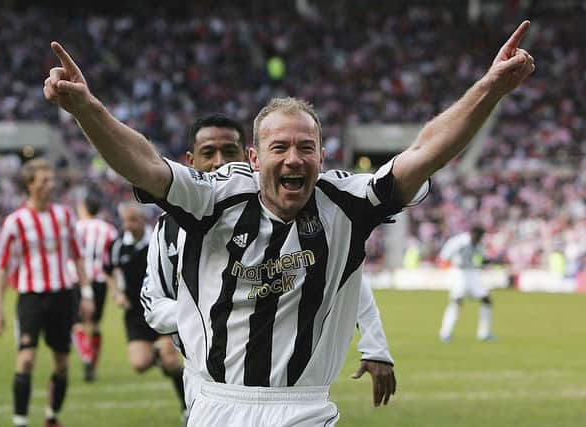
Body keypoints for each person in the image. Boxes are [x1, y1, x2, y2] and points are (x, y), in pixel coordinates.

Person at [44, 20, 535, 425]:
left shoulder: (347, 202)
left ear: (323, 155)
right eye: (280, 147)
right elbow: (144, 164)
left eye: (306, 147)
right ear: (256, 158)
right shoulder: (212, 199)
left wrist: (489, 89)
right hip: (218, 404)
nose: (294, 158)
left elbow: (424, 152)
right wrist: (87, 108)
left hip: (306, 408)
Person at [140, 115, 397, 414]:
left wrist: (375, 343)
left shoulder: (279, 213)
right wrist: (212, 314)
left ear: (250, 159)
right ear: (190, 160)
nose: (220, 162)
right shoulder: (169, 227)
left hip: (284, 392)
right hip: (206, 379)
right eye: (208, 153)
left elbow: (347, 279)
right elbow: (153, 303)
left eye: (230, 152)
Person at [0, 158, 94, 427]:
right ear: (30, 185)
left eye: (52, 179)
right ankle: (20, 421)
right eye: (45, 180)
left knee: (62, 364)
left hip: (63, 296)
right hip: (31, 298)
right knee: (25, 360)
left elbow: (78, 257)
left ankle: (51, 417)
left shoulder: (65, 215)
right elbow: (2, 268)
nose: (51, 184)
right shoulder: (16, 222)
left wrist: (86, 294)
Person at [103, 201, 187, 420]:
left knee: (171, 362)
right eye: (125, 221)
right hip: (135, 313)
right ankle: (159, 354)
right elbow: (108, 271)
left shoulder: (157, 239)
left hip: (161, 306)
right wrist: (116, 293)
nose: (128, 225)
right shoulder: (118, 245)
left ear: (142, 219)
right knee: (139, 364)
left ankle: (187, 407)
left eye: (133, 220)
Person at [70, 190, 118, 381]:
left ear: (83, 207)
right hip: (99, 280)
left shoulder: (74, 227)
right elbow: (111, 261)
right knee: (95, 324)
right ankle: (93, 366)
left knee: (77, 324)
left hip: (78, 279)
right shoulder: (109, 229)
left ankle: (87, 356)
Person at [438, 225, 494, 342]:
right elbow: (444, 255)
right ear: (473, 234)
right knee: (457, 302)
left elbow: (483, 259)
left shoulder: (478, 244)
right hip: (458, 272)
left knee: (486, 300)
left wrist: (488, 262)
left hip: (472, 272)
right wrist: (446, 270)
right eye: (479, 236)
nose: (479, 239)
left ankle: (484, 334)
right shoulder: (460, 242)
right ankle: (445, 333)